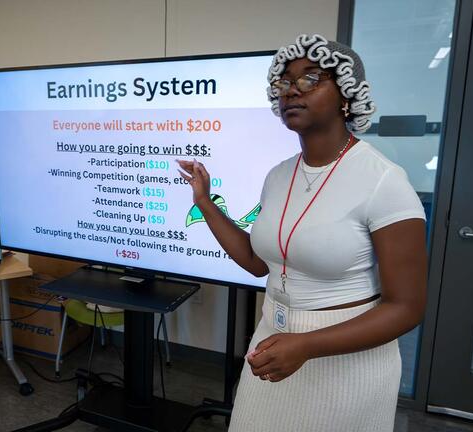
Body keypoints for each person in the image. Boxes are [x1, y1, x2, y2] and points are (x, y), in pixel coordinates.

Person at [178, 34, 427, 431]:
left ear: (346, 94)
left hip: (346, 361)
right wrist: (205, 201)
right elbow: (260, 264)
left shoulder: (384, 181)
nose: (291, 90)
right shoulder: (279, 176)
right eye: (284, 82)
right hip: (273, 341)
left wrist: (307, 345)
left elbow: (406, 308)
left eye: (310, 79)